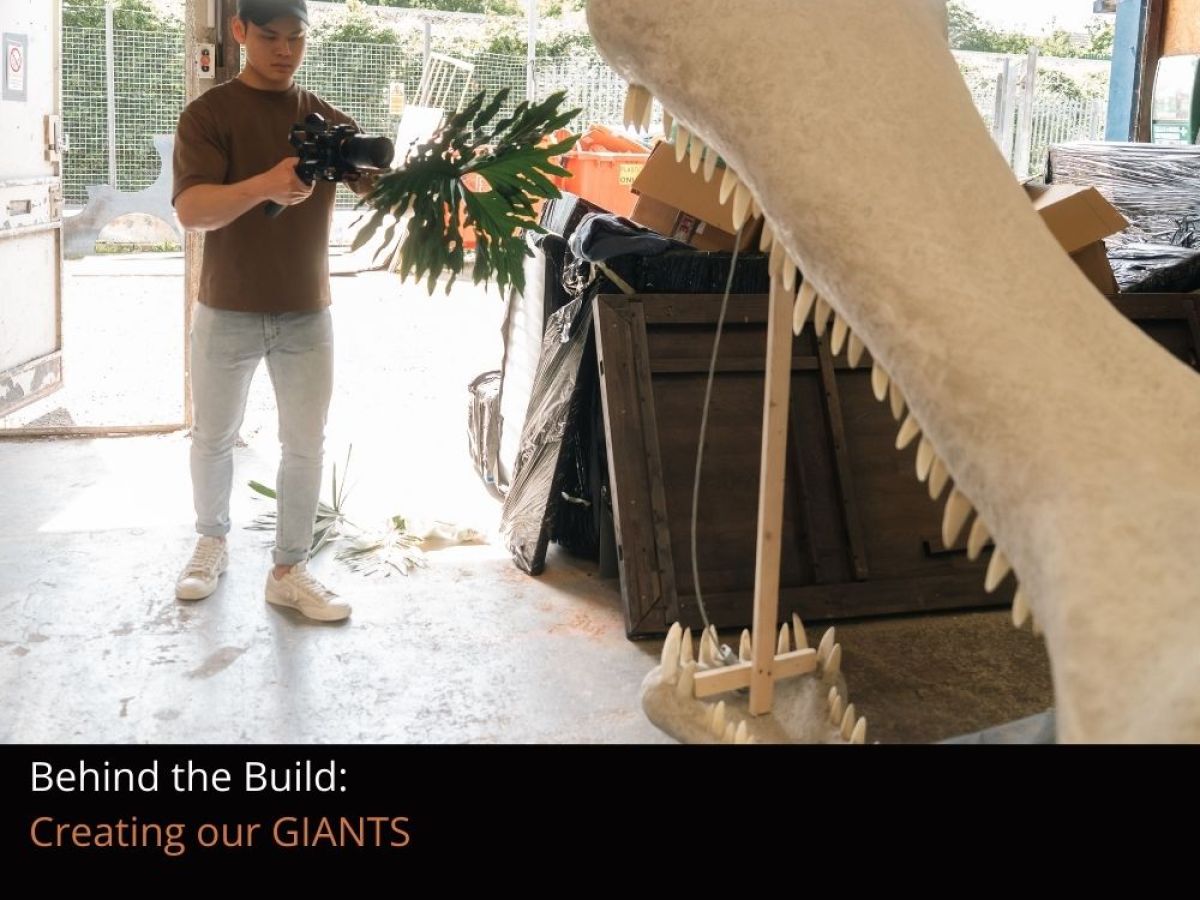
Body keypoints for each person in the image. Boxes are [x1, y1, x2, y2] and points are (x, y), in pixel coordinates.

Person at [171, 0, 369, 622]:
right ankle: (211, 542)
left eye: (297, 38)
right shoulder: (209, 114)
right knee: (213, 436)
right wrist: (265, 184)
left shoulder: (325, 120)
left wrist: (417, 173)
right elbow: (192, 212)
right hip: (225, 307)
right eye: (270, 37)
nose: (285, 51)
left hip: (308, 312)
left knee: (305, 444)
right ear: (240, 32)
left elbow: (380, 186)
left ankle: (289, 569)